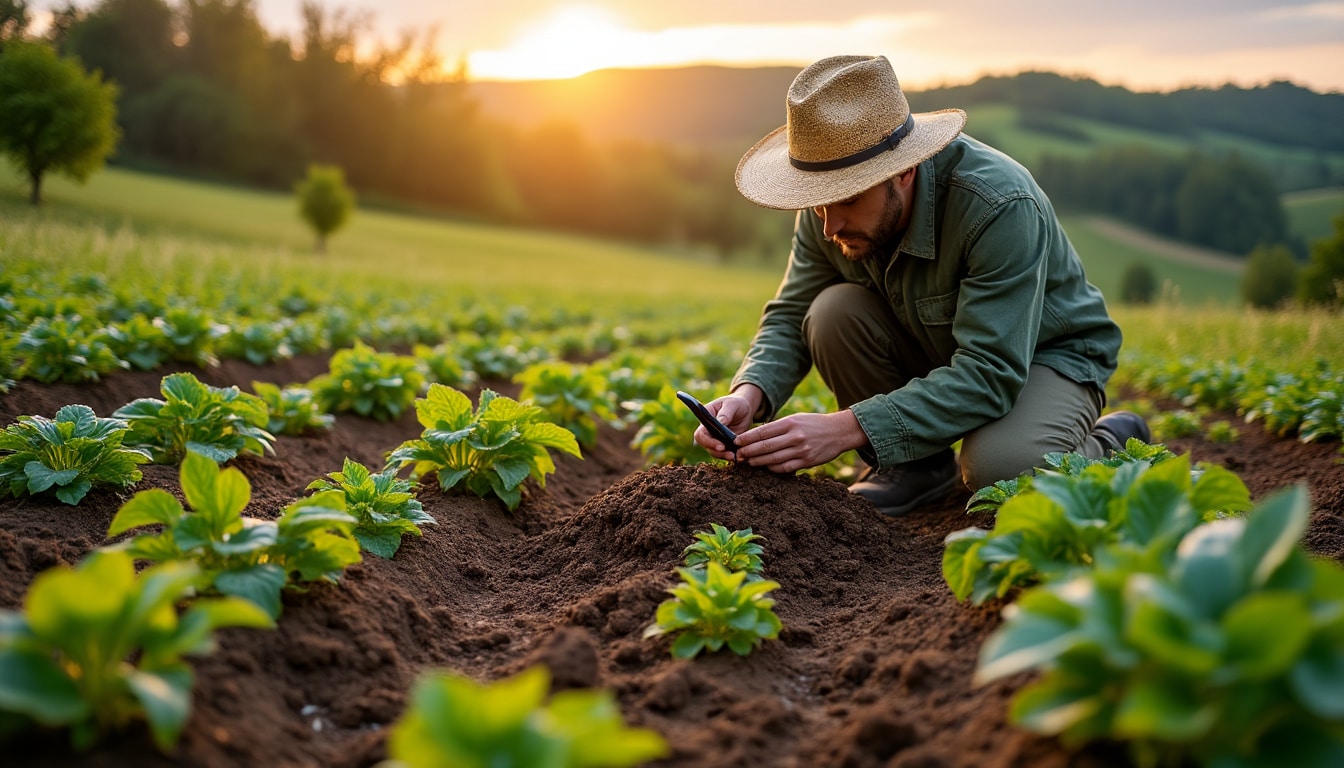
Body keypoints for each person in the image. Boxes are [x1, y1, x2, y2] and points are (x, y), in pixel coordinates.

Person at [693, 54, 1150, 516]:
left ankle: (1113, 443)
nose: (829, 226)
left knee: (1003, 473)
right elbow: (793, 312)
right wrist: (749, 392)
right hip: (935, 343)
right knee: (831, 311)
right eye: (817, 204)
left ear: (904, 171)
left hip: (1041, 355)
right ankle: (916, 468)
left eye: (848, 198)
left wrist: (847, 427)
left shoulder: (997, 205)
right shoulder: (827, 209)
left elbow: (991, 370)